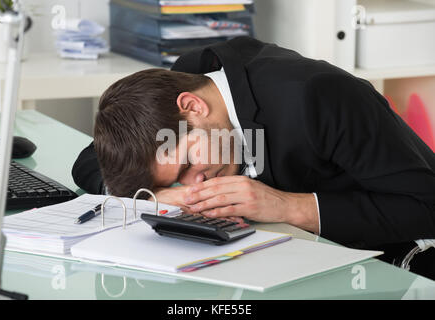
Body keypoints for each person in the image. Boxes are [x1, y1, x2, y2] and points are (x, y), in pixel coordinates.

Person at [72, 37, 435, 279]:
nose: (196, 183)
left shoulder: (317, 97)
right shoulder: (186, 82)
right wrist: (160, 196)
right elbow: (89, 161)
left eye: (187, 165)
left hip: (387, 267)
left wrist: (288, 207)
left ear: (192, 107)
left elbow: (426, 205)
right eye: (180, 180)